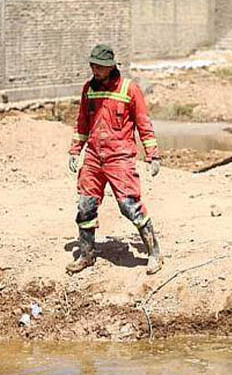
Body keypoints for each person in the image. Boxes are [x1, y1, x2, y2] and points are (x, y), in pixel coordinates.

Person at [67, 44, 163, 275]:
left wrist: (152, 154)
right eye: (92, 65)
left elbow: (143, 123)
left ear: (110, 67)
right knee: (85, 206)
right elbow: (82, 122)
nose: (95, 69)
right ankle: (87, 253)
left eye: (99, 66)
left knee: (129, 206)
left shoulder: (129, 89)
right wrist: (75, 150)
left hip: (119, 158)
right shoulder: (88, 89)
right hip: (93, 157)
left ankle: (154, 253)